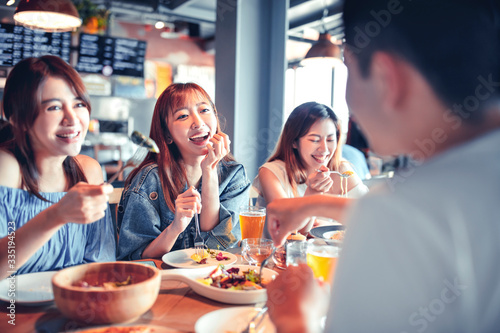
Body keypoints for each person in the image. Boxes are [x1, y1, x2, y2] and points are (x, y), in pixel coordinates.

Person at [265, 0, 500, 332]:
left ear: (385, 77)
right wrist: (311, 203)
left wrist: (293, 317)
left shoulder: (397, 215)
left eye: (347, 69)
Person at [0, 56, 116, 280]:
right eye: (54, 107)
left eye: (78, 104)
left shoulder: (88, 170)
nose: (72, 119)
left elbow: (101, 260)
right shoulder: (7, 167)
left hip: (73, 304)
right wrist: (56, 215)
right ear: (17, 119)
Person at [117, 83, 250, 260]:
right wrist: (175, 227)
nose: (198, 122)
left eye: (204, 110)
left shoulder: (234, 176)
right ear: (167, 134)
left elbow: (216, 249)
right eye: (183, 116)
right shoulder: (150, 179)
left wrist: (209, 170)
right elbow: (136, 258)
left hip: (217, 280)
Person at [252, 102, 367, 231]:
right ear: (294, 142)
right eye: (315, 140)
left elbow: (371, 215)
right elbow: (288, 229)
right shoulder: (271, 173)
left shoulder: (342, 171)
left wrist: (330, 226)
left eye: (330, 140)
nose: (324, 149)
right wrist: (312, 194)